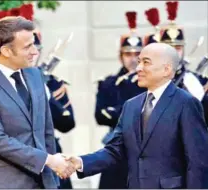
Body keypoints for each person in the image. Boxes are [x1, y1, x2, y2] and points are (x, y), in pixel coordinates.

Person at [65, 43, 208, 189]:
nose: (138, 68)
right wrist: (81, 162)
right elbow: (115, 150)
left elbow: (198, 162)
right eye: (139, 62)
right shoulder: (131, 106)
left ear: (167, 69)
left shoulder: (186, 103)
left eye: (146, 62)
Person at [0, 16, 75, 189]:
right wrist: (48, 160)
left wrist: (54, 171)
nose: (35, 52)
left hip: (43, 181)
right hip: (4, 182)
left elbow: (46, 129)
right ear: (6, 51)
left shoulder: (35, 75)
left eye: (34, 44)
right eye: (28, 47)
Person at [95, 11, 146, 189]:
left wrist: (116, 111)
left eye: (137, 54)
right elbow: (100, 116)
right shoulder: (108, 83)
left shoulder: (149, 83)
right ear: (121, 56)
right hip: (116, 149)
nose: (132, 59)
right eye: (128, 54)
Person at [33, 31, 75, 189]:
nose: (32, 54)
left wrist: (47, 96)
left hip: (49, 152)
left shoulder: (52, 83)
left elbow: (67, 123)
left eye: (36, 49)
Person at [160, 1, 208, 125]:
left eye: (178, 48)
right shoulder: (146, 77)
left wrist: (202, 98)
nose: (174, 52)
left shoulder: (193, 80)